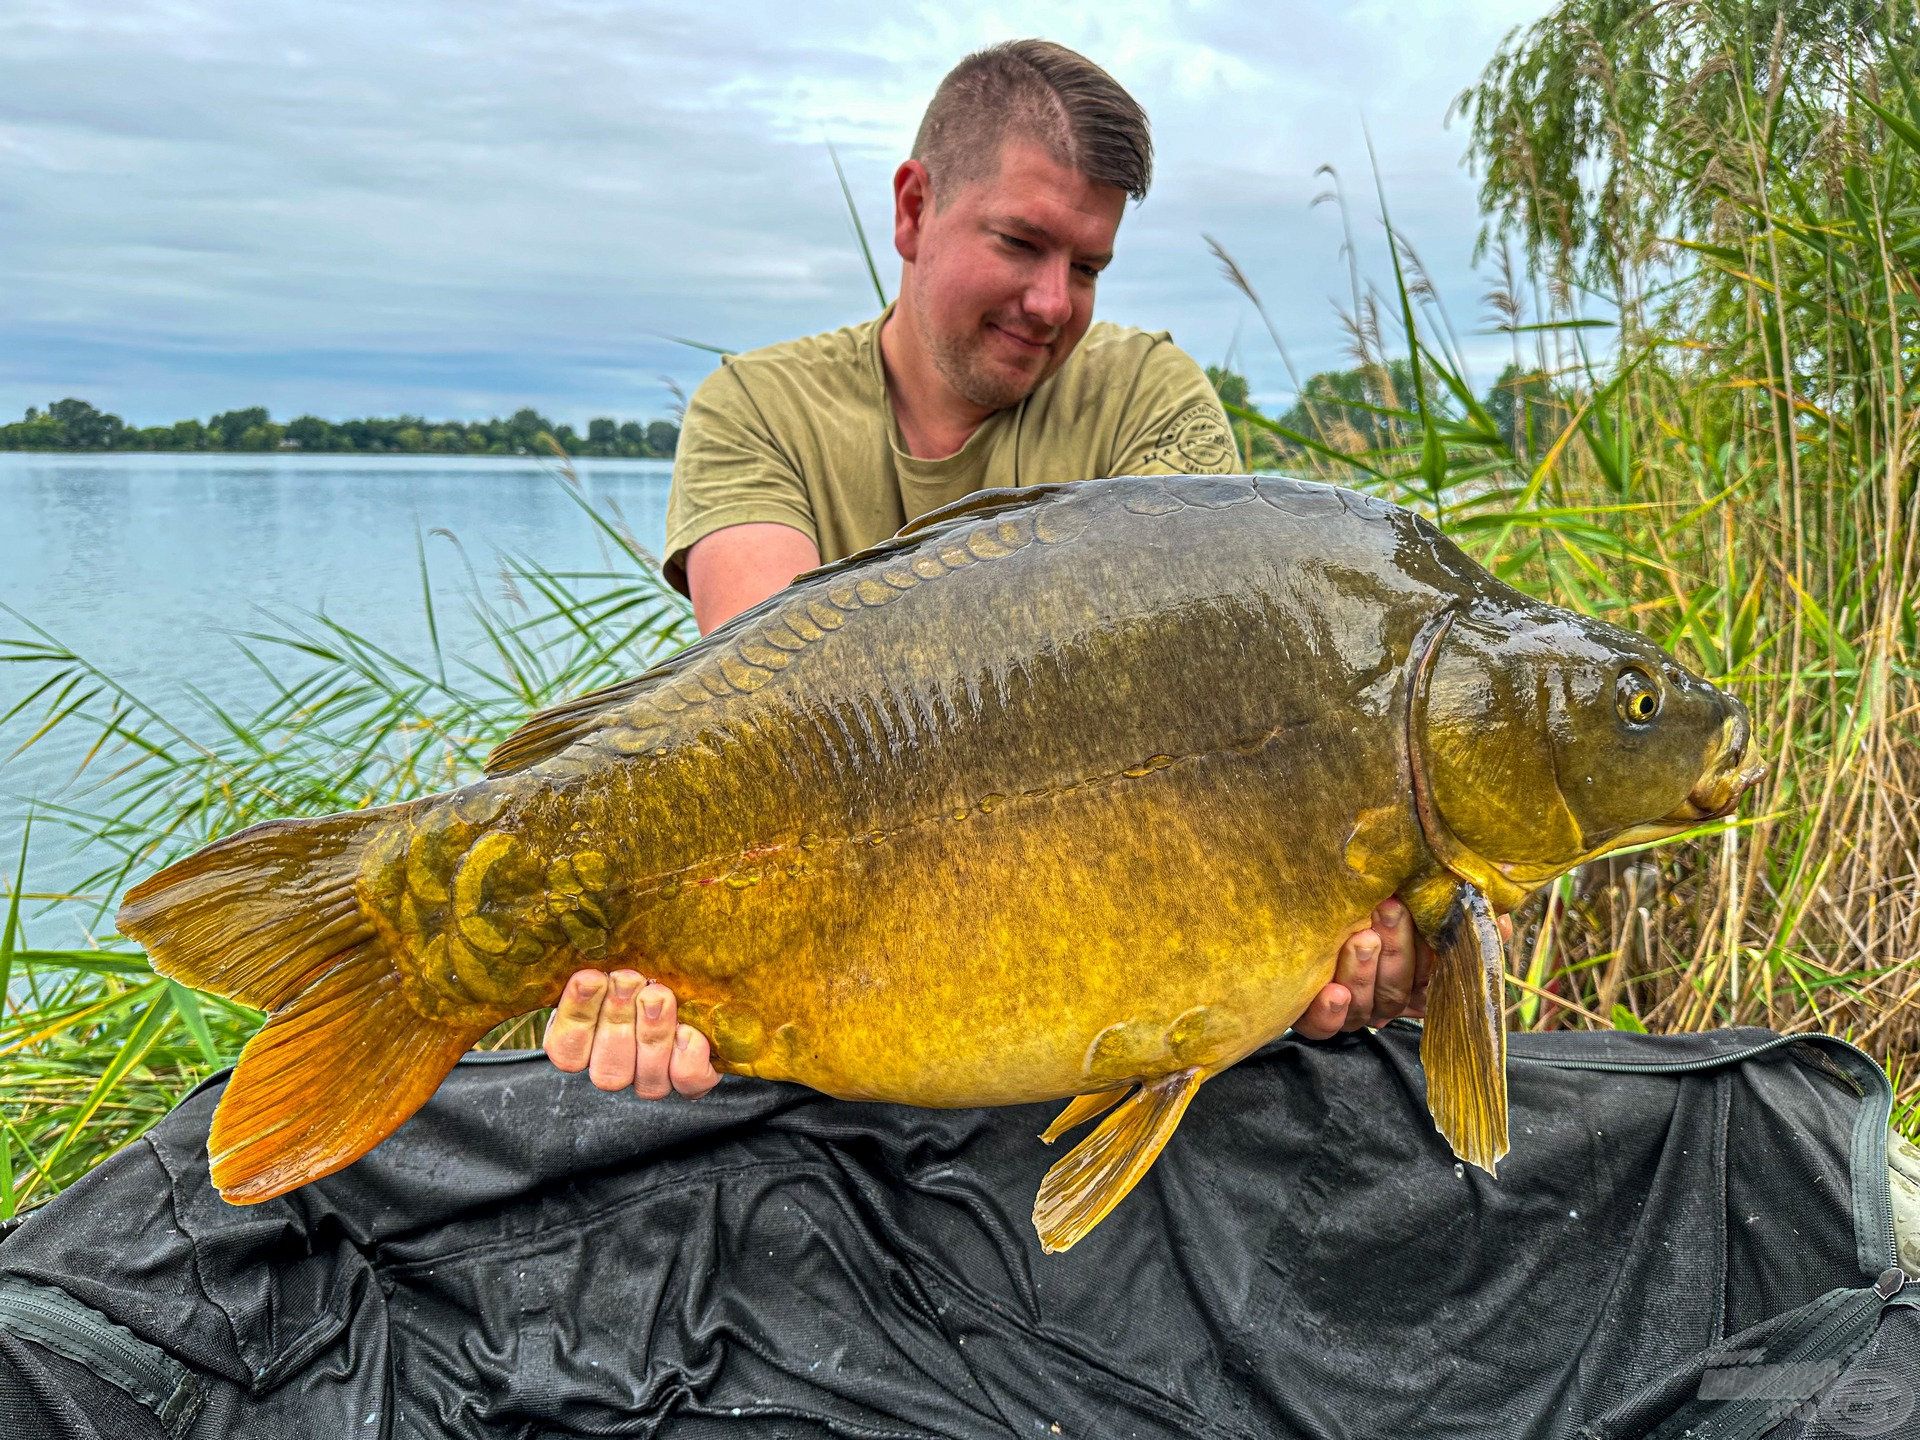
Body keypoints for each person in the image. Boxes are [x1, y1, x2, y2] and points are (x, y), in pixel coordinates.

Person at [541, 39, 1454, 1102]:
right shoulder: (757, 410)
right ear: (915, 209)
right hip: (832, 959)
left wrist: (1314, 924)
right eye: (1021, 243)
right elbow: (765, 734)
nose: (1054, 302)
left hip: (1083, 982)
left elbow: (1203, 692)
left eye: (1090, 266)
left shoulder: (1149, 398)